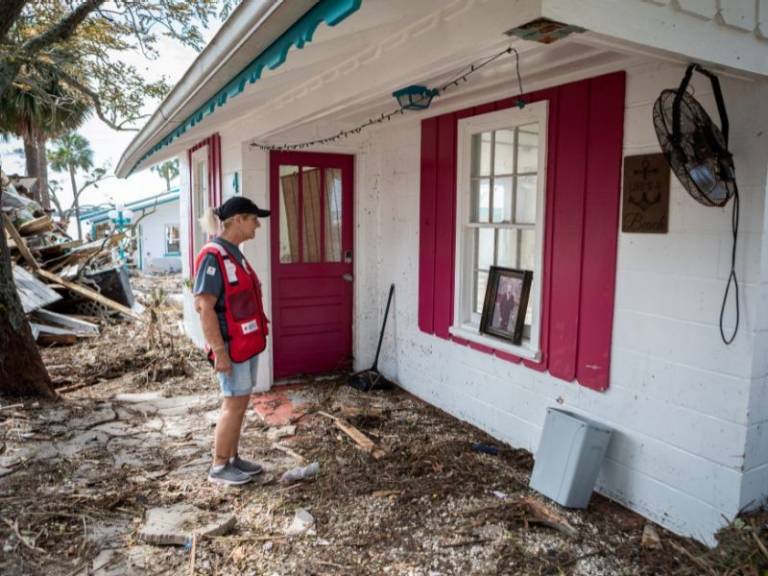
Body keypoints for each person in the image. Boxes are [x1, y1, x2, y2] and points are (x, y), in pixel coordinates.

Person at [193, 196, 271, 485]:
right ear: (237, 219)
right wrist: (219, 352)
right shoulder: (213, 256)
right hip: (231, 348)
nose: (258, 226)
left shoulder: (234, 253)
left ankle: (233, 458)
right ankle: (219, 465)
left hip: (246, 344)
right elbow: (204, 306)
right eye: (253, 219)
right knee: (232, 403)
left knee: (241, 401)